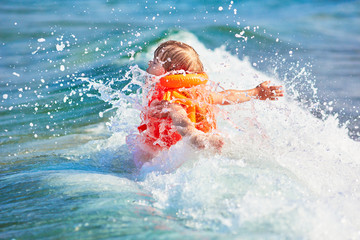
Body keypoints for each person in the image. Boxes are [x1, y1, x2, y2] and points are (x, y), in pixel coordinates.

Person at [134, 40, 284, 166]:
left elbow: (180, 118)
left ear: (171, 73)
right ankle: (200, 138)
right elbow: (226, 96)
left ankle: (195, 137)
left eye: (154, 62)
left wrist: (192, 134)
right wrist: (256, 92)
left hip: (166, 154)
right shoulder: (196, 93)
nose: (149, 63)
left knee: (177, 114)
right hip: (185, 153)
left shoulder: (170, 98)